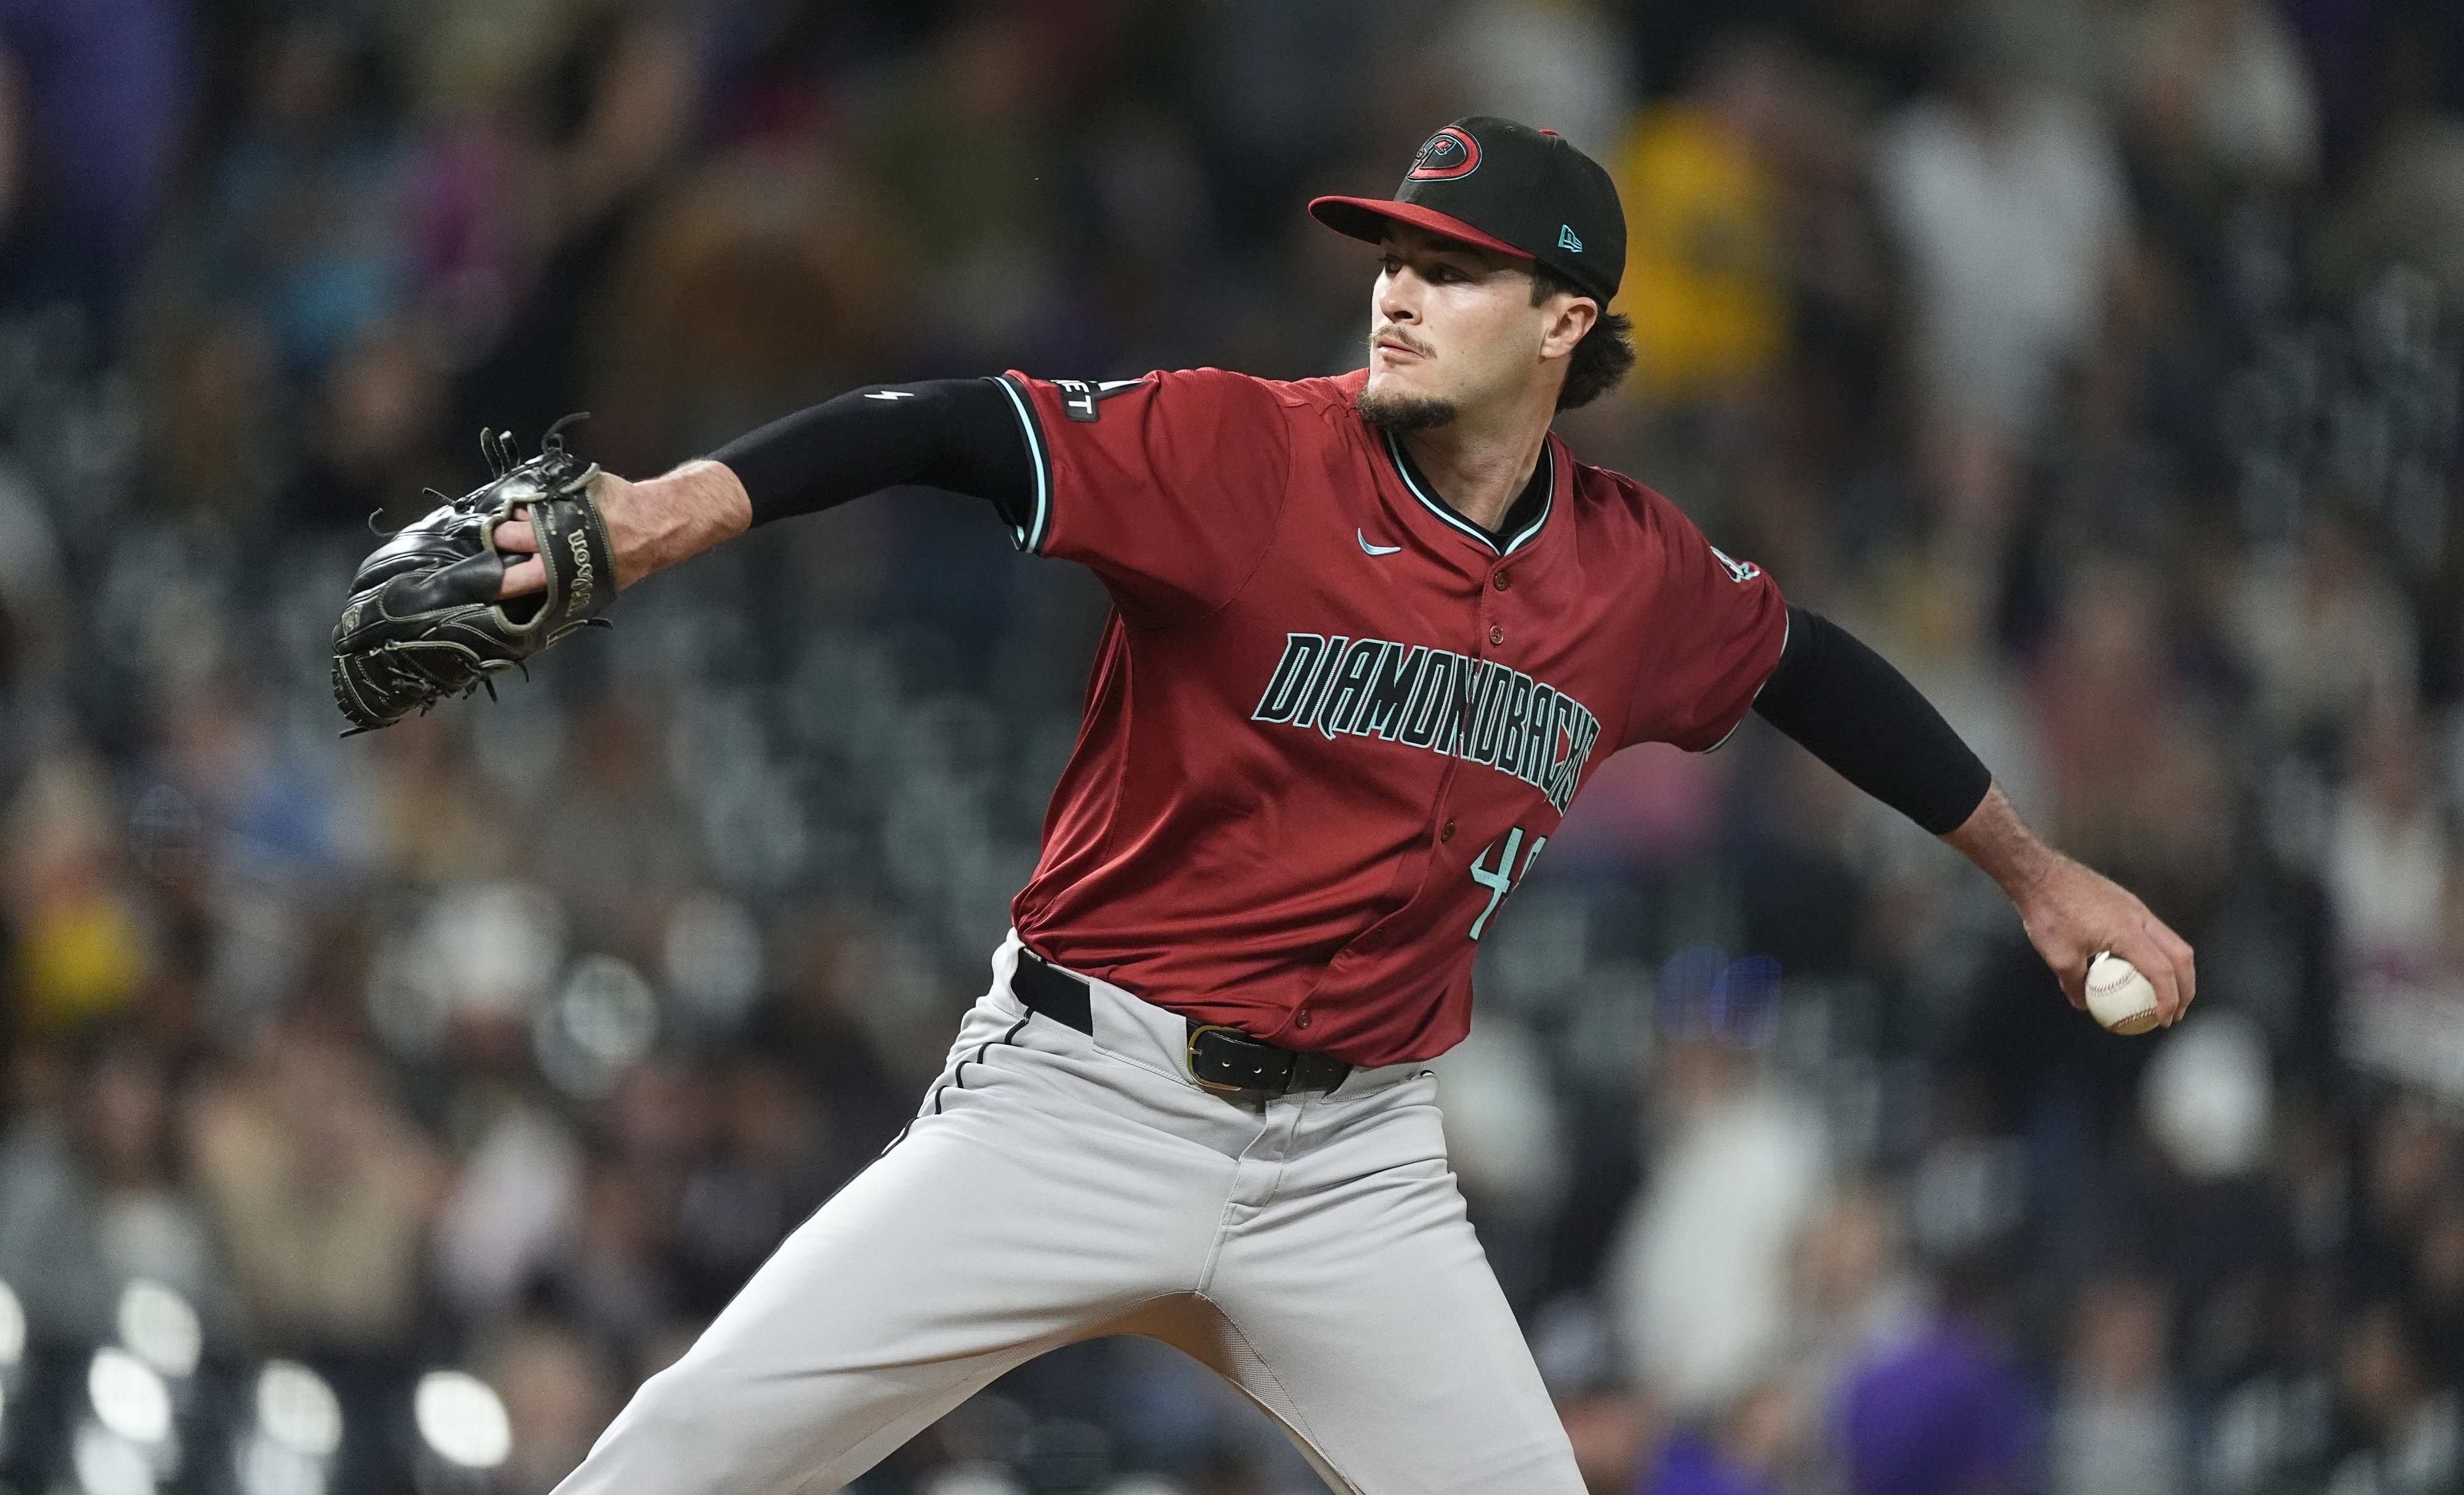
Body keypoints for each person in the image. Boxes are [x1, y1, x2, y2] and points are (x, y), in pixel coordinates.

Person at [497, 118, 2195, 1494]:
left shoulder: (1630, 572)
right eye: (1391, 253)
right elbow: (952, 426)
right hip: (1084, 1097)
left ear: (1564, 322)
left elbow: (1805, 666)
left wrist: (2035, 876)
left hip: (1352, 1169)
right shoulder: (1245, 454)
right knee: (682, 1457)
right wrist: (672, 509)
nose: (1396, 288)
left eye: (1452, 268)